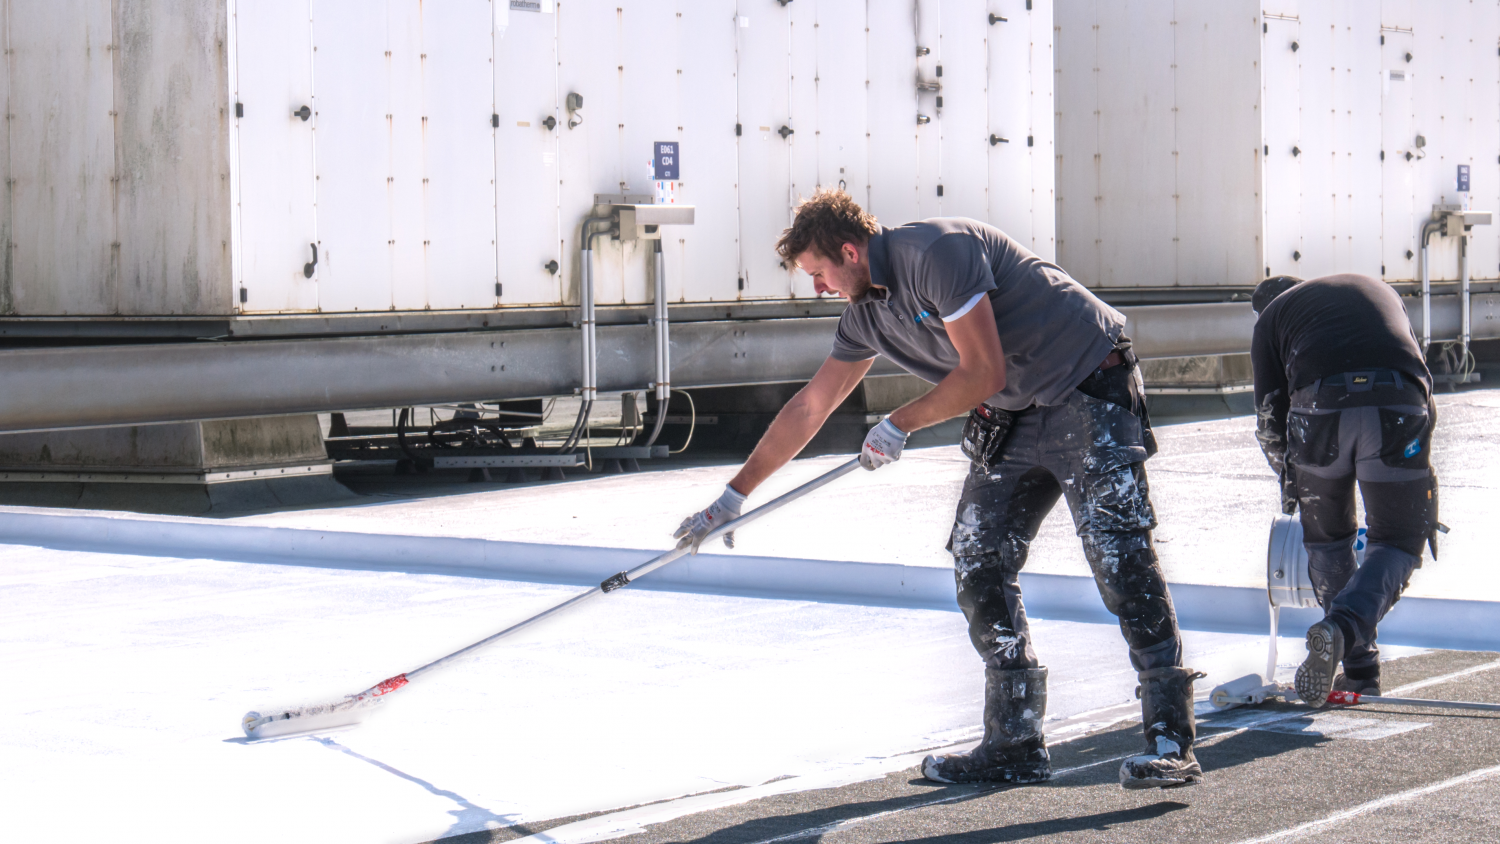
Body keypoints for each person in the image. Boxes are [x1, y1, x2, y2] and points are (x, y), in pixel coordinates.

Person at [673, 191, 1202, 790]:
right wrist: (732, 497)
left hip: (1087, 383)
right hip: (1015, 411)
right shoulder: (865, 315)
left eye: (818, 274)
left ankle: (1170, 739)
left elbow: (982, 371)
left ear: (849, 251)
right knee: (978, 560)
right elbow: (811, 405)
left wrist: (899, 423)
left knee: (1117, 555)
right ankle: (1015, 743)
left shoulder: (936, 254)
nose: (817, 289)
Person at [1250, 274, 1441, 705]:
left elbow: (1269, 415)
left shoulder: (1270, 321)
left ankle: (1358, 670)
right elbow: (1422, 380)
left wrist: (1291, 479)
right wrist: (1423, 484)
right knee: (1398, 539)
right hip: (1398, 404)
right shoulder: (1375, 290)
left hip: (1321, 409)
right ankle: (1344, 637)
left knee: (1329, 543)